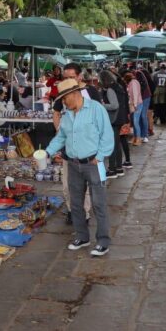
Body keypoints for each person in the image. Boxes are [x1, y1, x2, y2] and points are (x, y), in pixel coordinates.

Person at [45, 79, 114, 257]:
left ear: (74, 94)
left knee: (99, 204)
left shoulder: (96, 109)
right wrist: (47, 152)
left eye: (64, 98)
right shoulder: (67, 114)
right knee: (76, 204)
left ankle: (103, 241)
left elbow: (107, 134)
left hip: (93, 164)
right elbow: (61, 137)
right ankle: (83, 237)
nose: (63, 103)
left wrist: (99, 157)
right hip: (73, 164)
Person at [52, 63, 102, 223]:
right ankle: (72, 210)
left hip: (88, 148)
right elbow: (56, 113)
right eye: (65, 78)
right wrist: (60, 132)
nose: (68, 80)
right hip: (69, 148)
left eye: (71, 77)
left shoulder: (91, 92)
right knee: (67, 185)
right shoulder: (62, 93)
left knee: (86, 186)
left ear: (79, 77)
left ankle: (84, 214)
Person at [99, 70, 129, 179]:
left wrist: (102, 105)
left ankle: (112, 169)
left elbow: (114, 105)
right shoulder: (119, 87)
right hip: (120, 118)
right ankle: (119, 168)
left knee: (111, 145)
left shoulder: (110, 90)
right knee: (117, 144)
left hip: (113, 119)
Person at [123, 71, 143, 146]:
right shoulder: (132, 83)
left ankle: (138, 138)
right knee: (134, 122)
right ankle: (135, 137)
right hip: (135, 104)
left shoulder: (133, 83)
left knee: (135, 122)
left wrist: (135, 104)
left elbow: (135, 94)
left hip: (137, 104)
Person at [133, 68, 152, 143]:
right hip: (140, 98)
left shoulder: (138, 74)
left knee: (143, 115)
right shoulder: (136, 74)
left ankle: (145, 135)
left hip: (145, 97)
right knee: (139, 116)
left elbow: (142, 87)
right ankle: (140, 134)